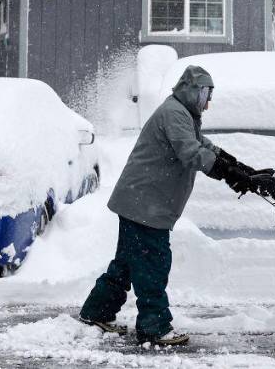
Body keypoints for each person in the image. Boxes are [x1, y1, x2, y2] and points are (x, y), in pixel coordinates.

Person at [77, 65, 258, 346]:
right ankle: (154, 327)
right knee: (153, 264)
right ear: (192, 91)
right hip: (146, 206)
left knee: (127, 263)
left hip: (140, 201)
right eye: (204, 95)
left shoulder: (182, 113)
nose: (207, 103)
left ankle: (96, 312)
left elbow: (203, 144)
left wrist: (237, 166)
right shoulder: (174, 113)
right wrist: (227, 173)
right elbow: (191, 152)